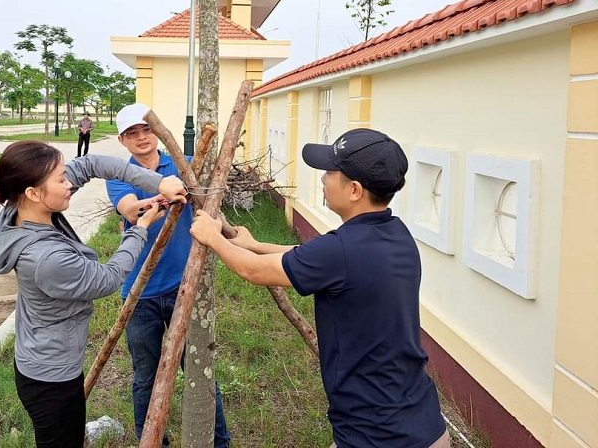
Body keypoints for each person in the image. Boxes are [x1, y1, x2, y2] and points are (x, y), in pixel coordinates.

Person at [190, 128, 450, 448]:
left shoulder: (341, 251)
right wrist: (256, 244)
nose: (323, 179)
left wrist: (212, 236)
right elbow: (310, 258)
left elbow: (253, 271)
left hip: (377, 434)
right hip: (424, 422)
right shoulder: (394, 234)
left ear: (354, 190)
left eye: (329, 172)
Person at [0, 140, 187, 447]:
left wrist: (158, 182)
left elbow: (90, 165)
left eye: (65, 176)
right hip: (51, 378)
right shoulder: (46, 258)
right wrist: (139, 228)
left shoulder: (21, 208)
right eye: (61, 181)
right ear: (33, 193)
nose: (69, 185)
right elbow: (108, 278)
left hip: (47, 362)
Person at [105, 103, 231, 447]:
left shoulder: (179, 166)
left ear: (156, 133)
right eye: (132, 133)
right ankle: (152, 441)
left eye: (146, 130)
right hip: (140, 291)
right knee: (146, 377)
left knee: (199, 370)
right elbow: (131, 211)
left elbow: (201, 200)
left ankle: (219, 441)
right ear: (122, 140)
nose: (141, 138)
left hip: (182, 287)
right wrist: (163, 198)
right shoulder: (119, 174)